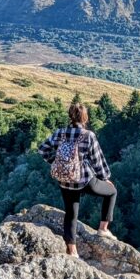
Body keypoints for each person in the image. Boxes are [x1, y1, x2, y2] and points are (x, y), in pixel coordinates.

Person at [38, 101, 117, 257]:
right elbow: (97, 160)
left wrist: (55, 162)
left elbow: (42, 149)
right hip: (85, 180)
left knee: (71, 213)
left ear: (71, 117)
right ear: (85, 118)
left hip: (64, 180)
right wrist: (105, 178)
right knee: (112, 192)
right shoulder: (88, 136)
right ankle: (103, 229)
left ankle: (72, 251)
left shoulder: (60, 133)